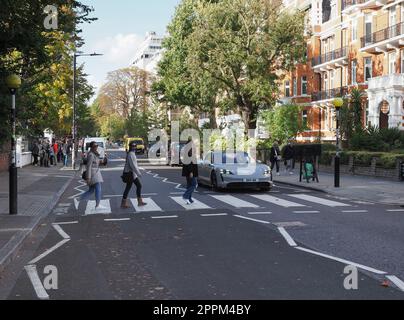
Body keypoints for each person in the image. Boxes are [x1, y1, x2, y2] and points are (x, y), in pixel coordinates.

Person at [74, 141, 106, 212]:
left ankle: (78, 200)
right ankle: (97, 205)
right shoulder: (91, 154)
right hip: (93, 175)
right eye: (94, 146)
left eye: (97, 146)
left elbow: (96, 163)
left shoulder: (94, 154)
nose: (96, 147)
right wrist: (88, 178)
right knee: (98, 188)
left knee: (91, 190)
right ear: (91, 147)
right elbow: (89, 166)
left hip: (95, 174)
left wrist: (102, 162)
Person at [121, 141, 146, 208]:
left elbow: (134, 165)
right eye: (133, 146)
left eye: (135, 146)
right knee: (131, 187)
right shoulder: (131, 154)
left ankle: (139, 201)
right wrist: (138, 173)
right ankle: (124, 203)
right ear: (130, 147)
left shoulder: (132, 153)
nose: (134, 147)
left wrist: (137, 173)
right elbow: (133, 165)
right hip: (130, 174)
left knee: (137, 186)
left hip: (132, 174)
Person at [182, 137, 198, 204]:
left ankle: (189, 199)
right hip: (190, 171)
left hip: (188, 171)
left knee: (189, 185)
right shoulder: (189, 152)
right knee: (194, 184)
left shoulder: (187, 151)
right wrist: (191, 172)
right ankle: (185, 196)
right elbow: (189, 163)